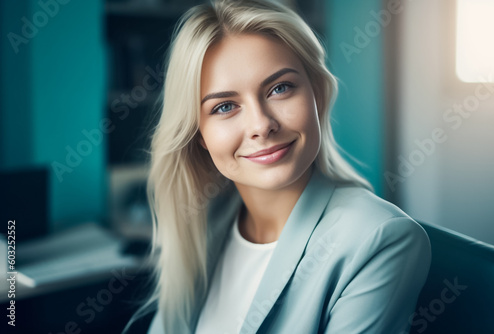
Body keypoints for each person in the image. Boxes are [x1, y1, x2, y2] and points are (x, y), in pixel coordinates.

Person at [123, 0, 431, 333]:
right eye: (225, 106)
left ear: (318, 95)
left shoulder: (378, 239)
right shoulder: (207, 222)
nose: (261, 124)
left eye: (280, 88)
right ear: (199, 135)